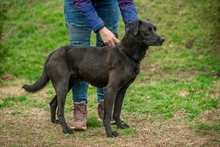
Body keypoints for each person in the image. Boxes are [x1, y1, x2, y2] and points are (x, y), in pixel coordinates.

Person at [64, 0, 138, 131]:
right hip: (78, 4)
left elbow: (126, 2)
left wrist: (134, 28)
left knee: (109, 50)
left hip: (108, 3)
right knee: (78, 54)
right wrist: (101, 28)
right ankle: (79, 109)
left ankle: (105, 109)